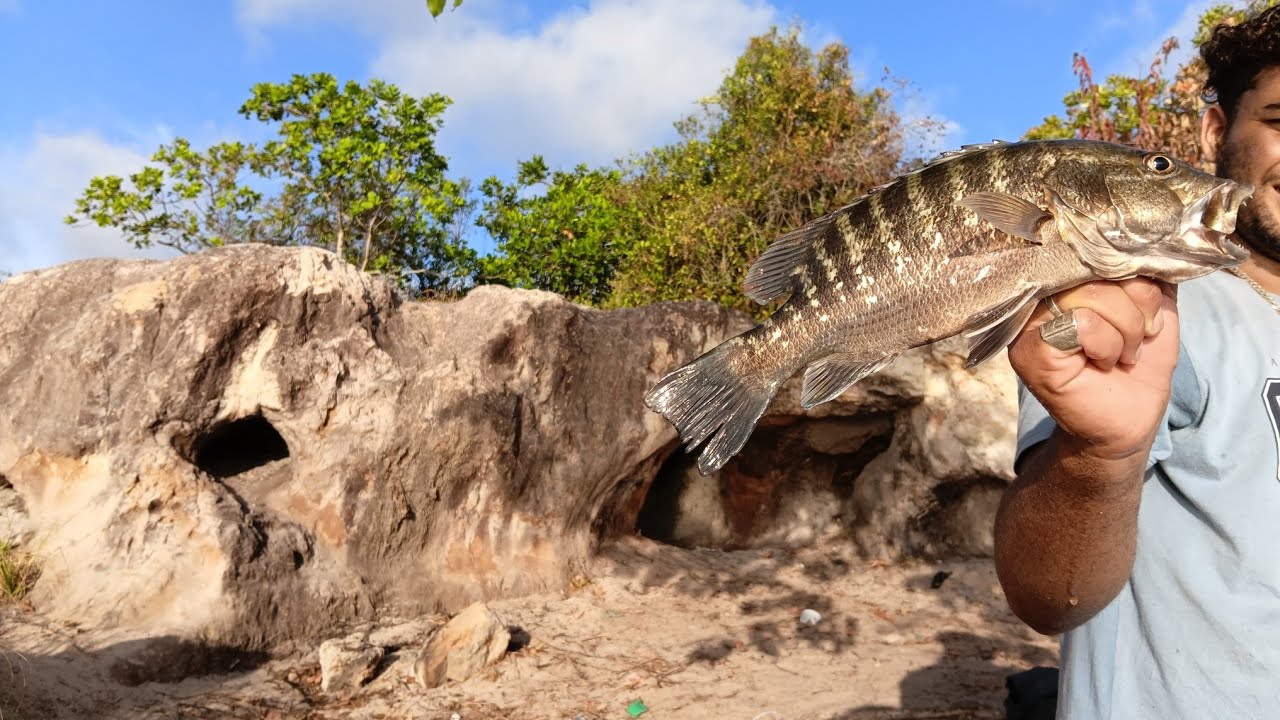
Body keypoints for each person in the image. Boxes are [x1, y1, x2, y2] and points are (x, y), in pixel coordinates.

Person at [995, 5, 1280, 718]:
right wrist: (1099, 455)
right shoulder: (1142, 310)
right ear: (1216, 132)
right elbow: (1044, 596)